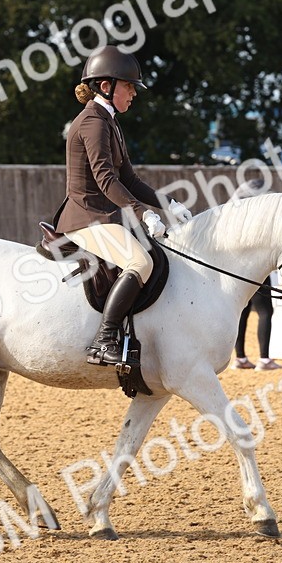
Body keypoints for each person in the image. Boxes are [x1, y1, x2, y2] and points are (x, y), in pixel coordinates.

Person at [54, 45, 190, 366]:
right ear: (107, 86)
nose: (134, 94)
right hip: (86, 219)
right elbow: (106, 179)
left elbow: (129, 179)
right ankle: (103, 339)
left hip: (104, 217)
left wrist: (167, 204)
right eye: (129, 87)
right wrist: (143, 214)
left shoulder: (109, 121)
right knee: (140, 263)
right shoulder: (93, 123)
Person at [230, 178, 282, 370]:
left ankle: (240, 358)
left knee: (243, 311)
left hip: (235, 269)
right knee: (265, 311)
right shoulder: (255, 221)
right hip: (254, 270)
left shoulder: (233, 219)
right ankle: (264, 359)